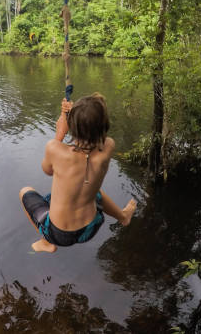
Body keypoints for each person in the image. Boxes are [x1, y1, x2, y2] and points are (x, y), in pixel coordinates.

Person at [19, 93, 137, 253]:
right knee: (92, 188)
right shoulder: (109, 146)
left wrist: (60, 133)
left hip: (59, 234)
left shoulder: (54, 149)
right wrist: (77, 112)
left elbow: (47, 170)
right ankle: (123, 217)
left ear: (72, 127)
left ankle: (47, 242)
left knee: (24, 192)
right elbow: (96, 123)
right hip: (90, 227)